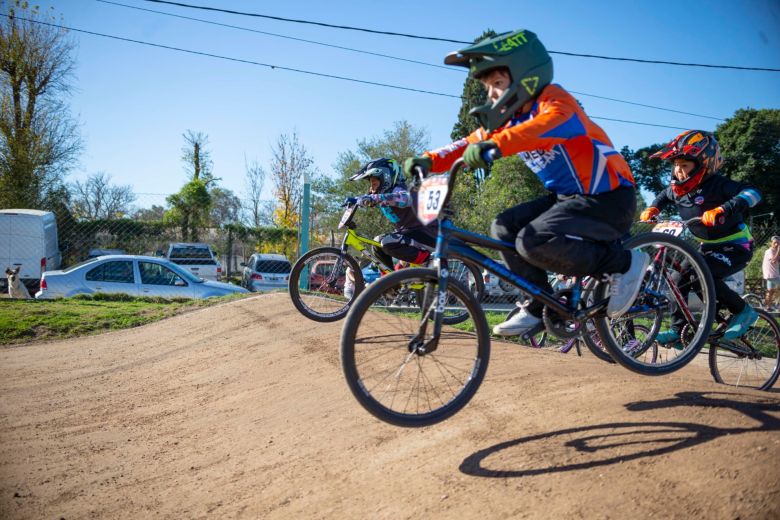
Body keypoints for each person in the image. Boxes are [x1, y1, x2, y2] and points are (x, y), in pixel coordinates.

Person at [403, 29, 647, 336]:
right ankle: (538, 304)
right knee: (504, 226)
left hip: (609, 199)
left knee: (532, 240)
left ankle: (624, 262)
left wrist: (498, 144)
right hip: (567, 198)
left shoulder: (555, 101)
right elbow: (469, 142)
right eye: (487, 87)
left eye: (497, 83)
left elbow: (548, 125)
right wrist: (429, 159)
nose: (491, 93)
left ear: (524, 76)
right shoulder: (508, 121)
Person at [641, 130, 762, 341]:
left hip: (736, 246)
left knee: (704, 274)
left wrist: (723, 209)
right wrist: (653, 208)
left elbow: (753, 193)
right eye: (676, 166)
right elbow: (662, 196)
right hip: (707, 247)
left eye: (685, 165)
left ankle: (744, 311)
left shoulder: (718, 184)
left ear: (703, 165)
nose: (678, 171)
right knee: (679, 279)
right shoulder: (676, 190)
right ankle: (679, 333)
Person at [345, 158, 436, 272]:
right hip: (413, 235)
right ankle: (389, 281)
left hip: (427, 235)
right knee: (377, 243)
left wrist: (373, 198)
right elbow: (372, 198)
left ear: (386, 179)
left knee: (386, 242)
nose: (371, 188)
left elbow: (405, 199)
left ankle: (427, 259)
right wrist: (355, 200)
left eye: (374, 183)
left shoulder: (400, 189)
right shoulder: (384, 196)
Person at [763, 236, 780, 310]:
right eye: (775, 243)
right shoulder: (770, 251)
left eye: (778, 243)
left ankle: (767, 307)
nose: (776, 244)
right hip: (772, 275)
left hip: (770, 275)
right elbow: (773, 261)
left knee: (770, 291)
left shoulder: (774, 251)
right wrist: (779, 250)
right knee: (770, 292)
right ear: (771, 243)